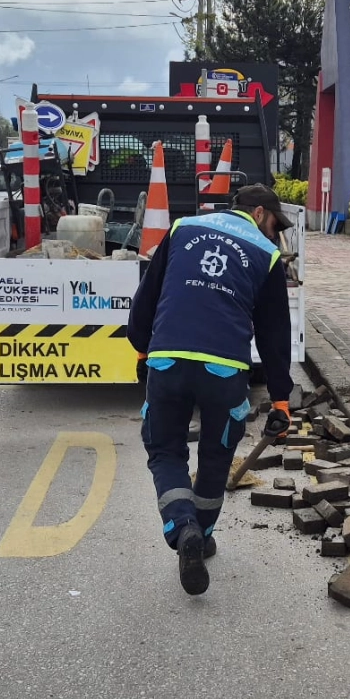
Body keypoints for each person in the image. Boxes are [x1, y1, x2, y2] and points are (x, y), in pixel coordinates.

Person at [128, 184, 295, 595]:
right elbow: (275, 335)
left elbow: (146, 298)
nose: (276, 234)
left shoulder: (183, 228)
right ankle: (199, 535)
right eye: (276, 224)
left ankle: (182, 527)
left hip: (167, 360)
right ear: (259, 213)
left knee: (165, 450)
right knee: (216, 455)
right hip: (224, 371)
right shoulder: (265, 253)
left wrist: (142, 351)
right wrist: (280, 399)